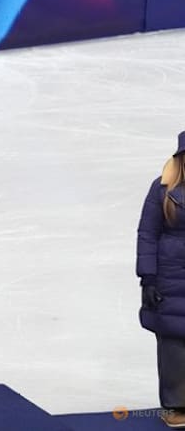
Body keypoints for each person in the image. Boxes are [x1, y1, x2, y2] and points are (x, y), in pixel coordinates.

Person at [137, 130, 185, 428]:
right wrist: (148, 278)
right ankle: (177, 404)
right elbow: (147, 233)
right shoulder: (162, 190)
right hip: (170, 276)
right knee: (173, 345)